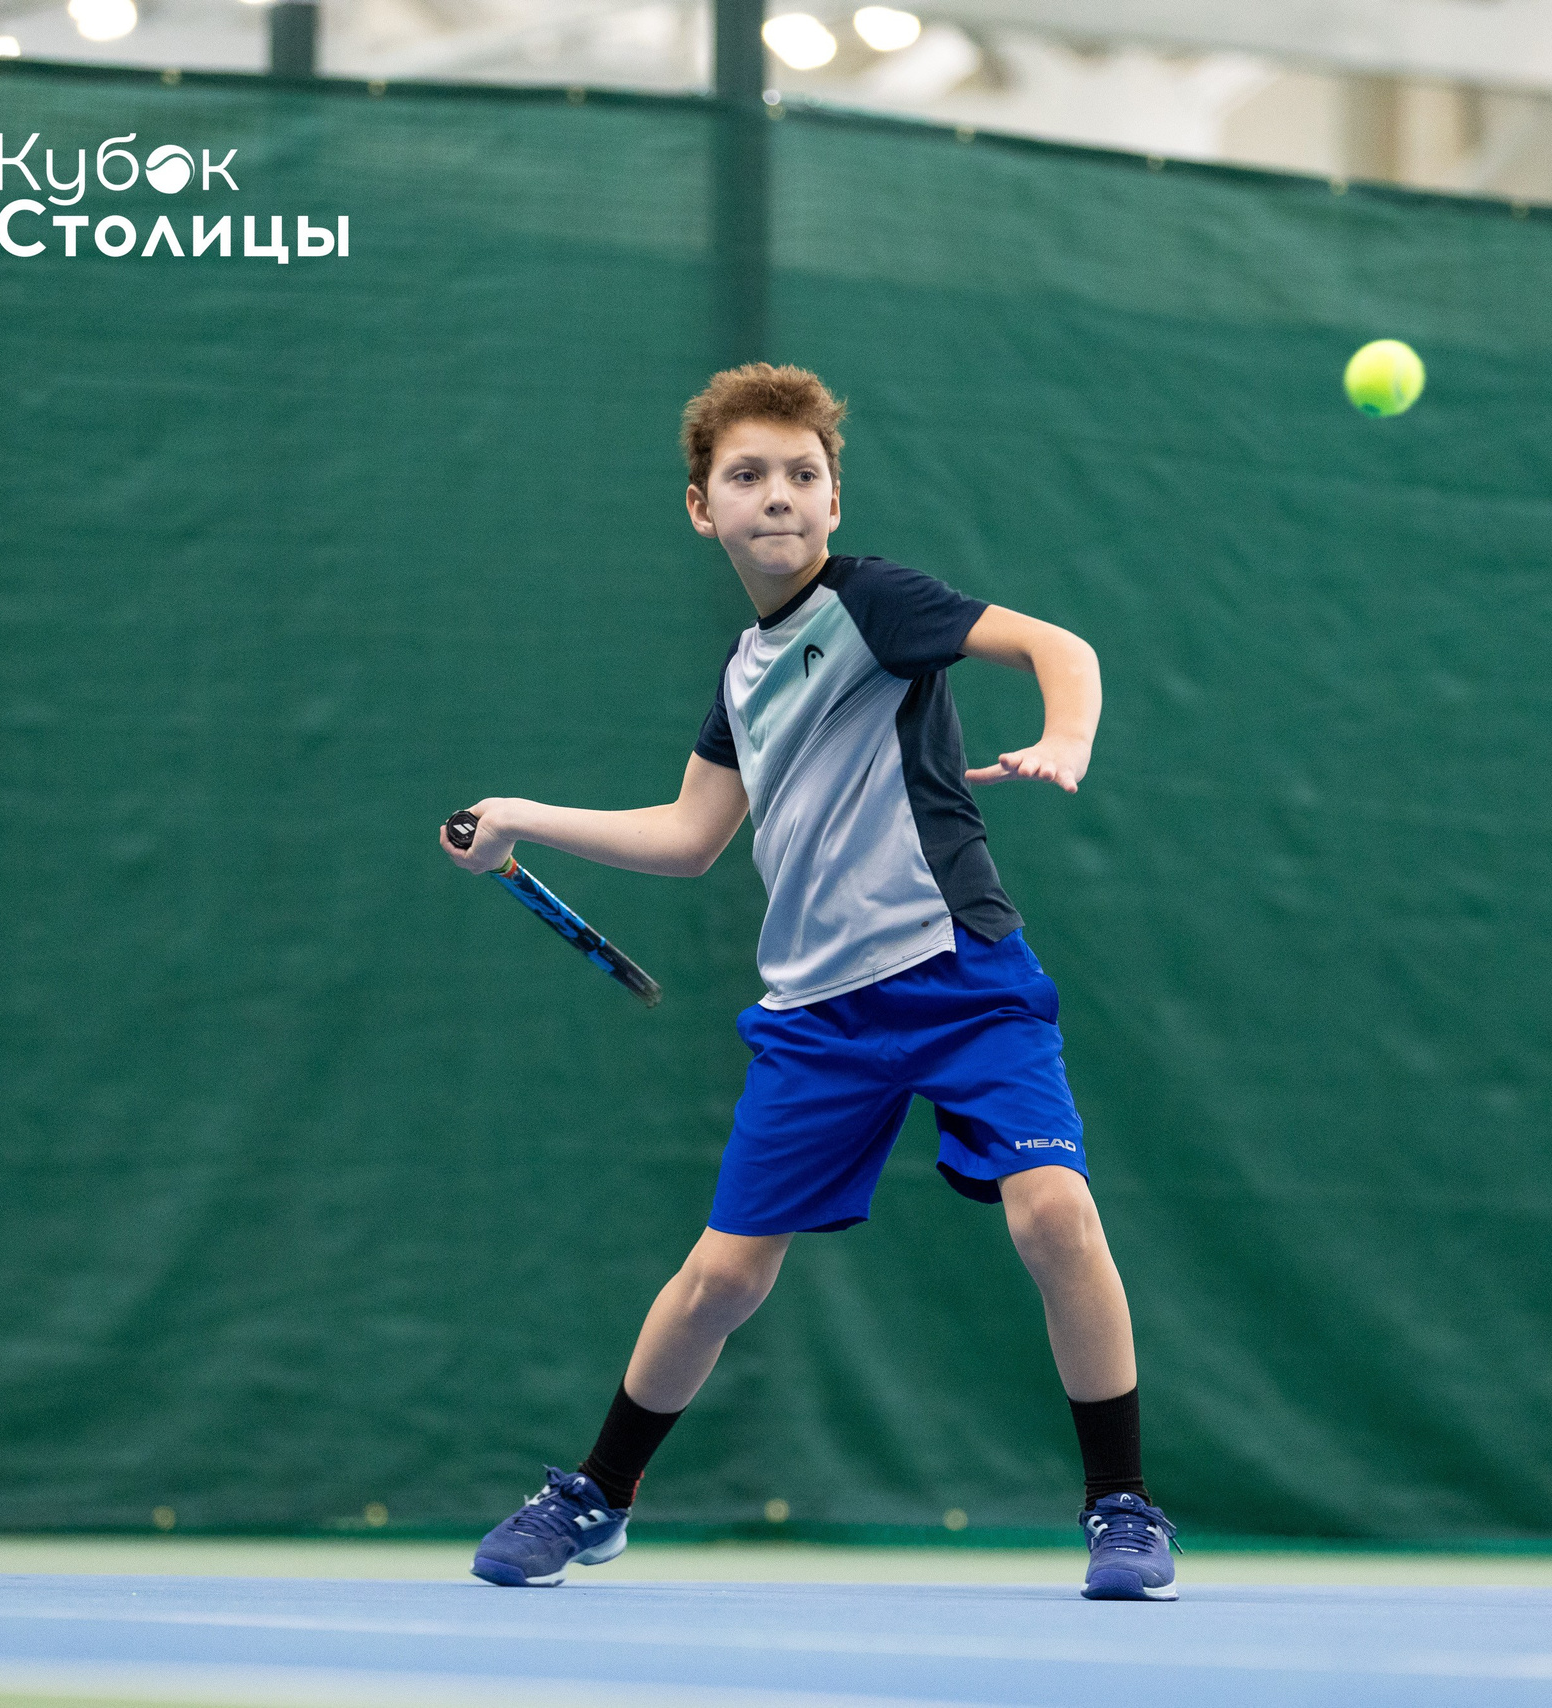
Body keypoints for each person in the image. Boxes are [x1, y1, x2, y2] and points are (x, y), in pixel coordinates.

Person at [441, 363, 1175, 1601]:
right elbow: (688, 837)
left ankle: (1122, 1506)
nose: (776, 497)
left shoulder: (876, 605)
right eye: (747, 477)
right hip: (816, 1018)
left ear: (835, 500)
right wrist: (519, 815)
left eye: (801, 476)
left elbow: (1059, 646)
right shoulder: (739, 676)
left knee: (1055, 1214)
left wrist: (1066, 736)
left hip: (960, 977)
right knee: (722, 1277)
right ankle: (597, 1496)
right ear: (699, 508)